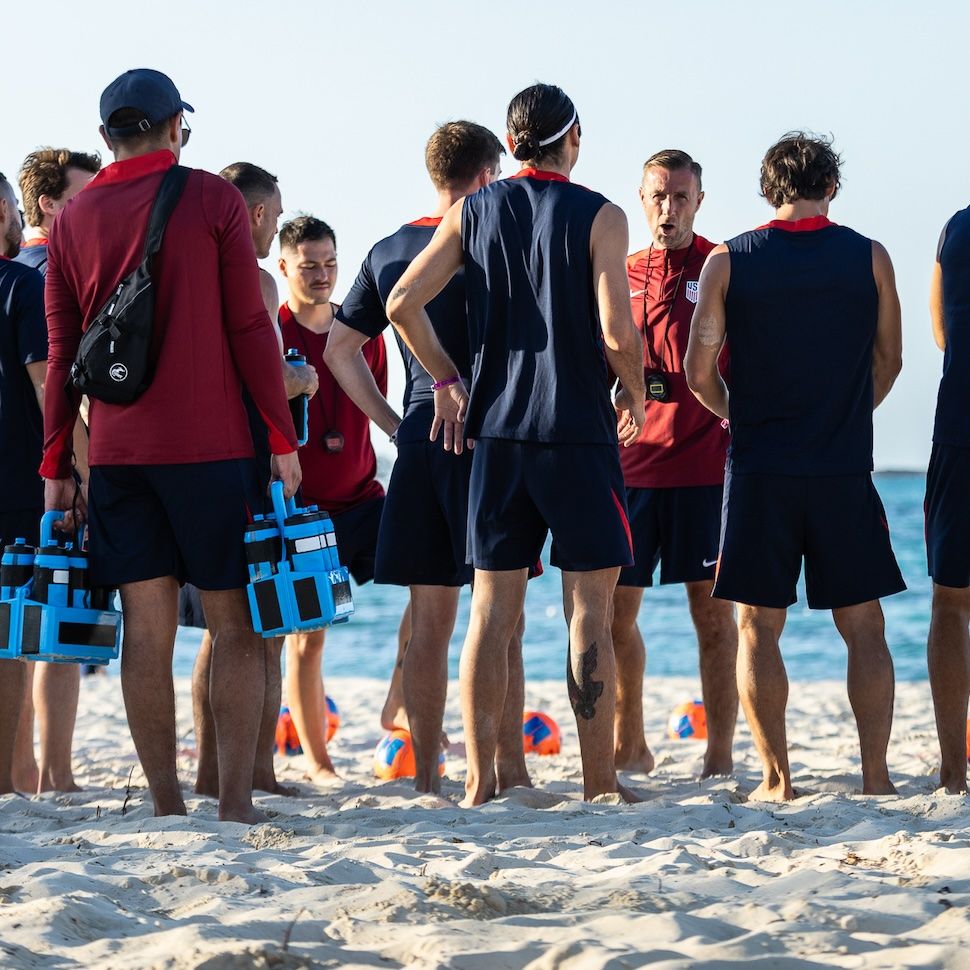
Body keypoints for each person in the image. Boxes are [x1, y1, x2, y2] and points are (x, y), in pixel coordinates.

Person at [41, 68, 301, 823]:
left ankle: (164, 802)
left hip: (119, 455)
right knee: (235, 627)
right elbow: (250, 327)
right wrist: (280, 435)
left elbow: (62, 356)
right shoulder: (211, 198)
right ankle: (235, 803)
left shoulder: (71, 220)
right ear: (177, 127)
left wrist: (57, 463)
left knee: (146, 634)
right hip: (212, 450)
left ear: (105, 137)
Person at [386, 83, 646, 806]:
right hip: (577, 432)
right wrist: (635, 391)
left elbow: (401, 302)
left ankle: (477, 784)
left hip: (497, 434)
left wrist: (446, 378)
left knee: (490, 615)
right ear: (575, 138)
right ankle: (598, 785)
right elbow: (616, 330)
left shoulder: (472, 210)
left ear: (512, 143)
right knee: (588, 612)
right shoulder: (601, 214)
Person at [684, 131, 905, 802]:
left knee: (758, 626)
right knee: (863, 625)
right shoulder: (870, 257)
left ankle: (777, 780)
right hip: (841, 465)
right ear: (830, 186)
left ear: (767, 189)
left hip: (760, 468)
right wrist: (845, 414)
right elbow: (890, 360)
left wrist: (738, 415)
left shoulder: (727, 260)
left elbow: (698, 371)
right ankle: (876, 778)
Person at [325, 121, 531, 794]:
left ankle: (427, 781)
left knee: (429, 625)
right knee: (503, 623)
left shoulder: (390, 248)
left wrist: (396, 425)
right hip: (491, 439)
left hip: (422, 439)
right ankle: (505, 771)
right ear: (485, 177)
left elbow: (339, 351)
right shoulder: (498, 238)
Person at [189, 161, 319, 799]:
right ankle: (254, 775)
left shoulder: (185, 269)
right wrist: (302, 381)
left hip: (187, 461)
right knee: (259, 629)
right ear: (259, 213)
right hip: (244, 459)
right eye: (275, 214)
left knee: (216, 634)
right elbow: (265, 373)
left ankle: (207, 774)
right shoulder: (257, 280)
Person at [613, 150, 737, 778]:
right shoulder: (621, 272)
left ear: (699, 201)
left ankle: (719, 756)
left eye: (681, 197)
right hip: (632, 470)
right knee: (613, 618)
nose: (669, 209)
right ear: (642, 199)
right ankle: (630, 744)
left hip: (705, 471)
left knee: (713, 619)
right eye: (658, 196)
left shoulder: (721, 267)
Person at [276, 215, 404, 784]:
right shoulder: (271, 330)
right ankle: (318, 762)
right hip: (304, 512)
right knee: (308, 638)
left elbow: (375, 403)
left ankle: (398, 703)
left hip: (364, 498)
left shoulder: (361, 332)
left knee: (435, 585)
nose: (322, 274)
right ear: (284, 267)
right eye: (309, 266)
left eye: (330, 263)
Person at [12, 147, 100, 795]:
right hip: (50, 472)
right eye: (82, 198)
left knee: (20, 625)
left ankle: (28, 772)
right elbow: (56, 388)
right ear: (48, 204)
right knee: (58, 623)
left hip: (27, 466)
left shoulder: (14, 270)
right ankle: (54, 774)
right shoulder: (48, 275)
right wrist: (87, 472)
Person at [0, 172, 44, 795]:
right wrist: (81, 468)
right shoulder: (20, 284)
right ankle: (6, 782)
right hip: (13, 481)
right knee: (8, 634)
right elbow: (46, 386)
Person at [925, 203, 970, 794]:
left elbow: (944, 336)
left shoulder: (956, 227)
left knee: (951, 602)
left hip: (960, 424)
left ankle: (954, 772)